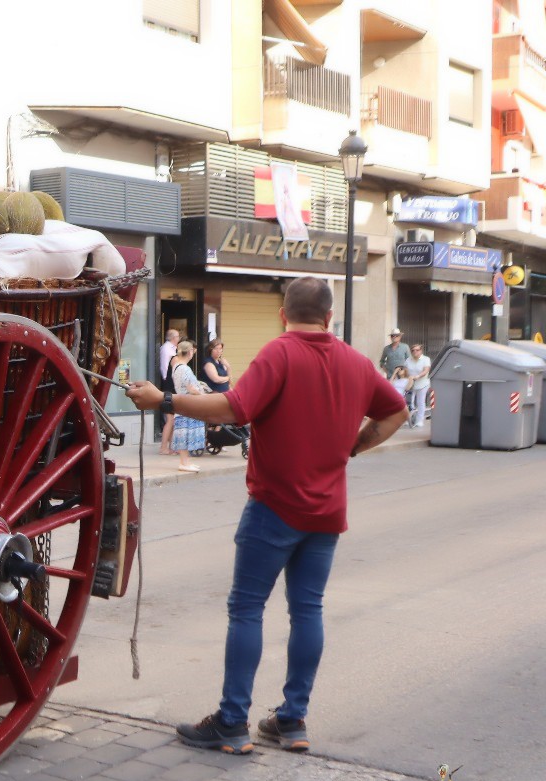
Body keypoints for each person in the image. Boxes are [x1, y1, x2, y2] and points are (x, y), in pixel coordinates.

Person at [124, 277, 408, 755]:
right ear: (330, 317)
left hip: (274, 508)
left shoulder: (280, 353)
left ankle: (233, 722)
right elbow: (396, 411)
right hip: (325, 512)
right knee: (308, 612)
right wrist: (354, 447)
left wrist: (164, 400)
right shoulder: (355, 362)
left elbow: (234, 408)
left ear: (283, 313)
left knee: (247, 610)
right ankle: (292, 721)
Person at [168, 340, 207, 473]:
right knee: (187, 433)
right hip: (189, 403)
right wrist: (201, 393)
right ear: (189, 352)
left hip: (183, 403)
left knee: (185, 433)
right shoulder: (184, 368)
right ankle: (184, 463)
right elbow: (191, 388)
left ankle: (186, 462)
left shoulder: (177, 367)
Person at [157, 328, 180, 455]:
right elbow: (166, 369)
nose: (179, 339)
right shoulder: (168, 350)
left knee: (172, 418)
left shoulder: (169, 349)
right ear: (173, 338)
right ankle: (163, 447)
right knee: (170, 418)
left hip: (168, 384)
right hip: (168, 384)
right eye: (177, 336)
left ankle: (171, 445)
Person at [405, 343, 432, 428]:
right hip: (411, 384)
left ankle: (420, 420)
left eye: (417, 350)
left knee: (420, 402)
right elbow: (406, 371)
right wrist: (407, 377)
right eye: (413, 350)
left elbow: (426, 370)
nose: (415, 352)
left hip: (422, 383)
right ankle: (410, 419)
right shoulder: (408, 360)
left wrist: (418, 376)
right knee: (410, 403)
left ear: (421, 351)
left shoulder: (425, 359)